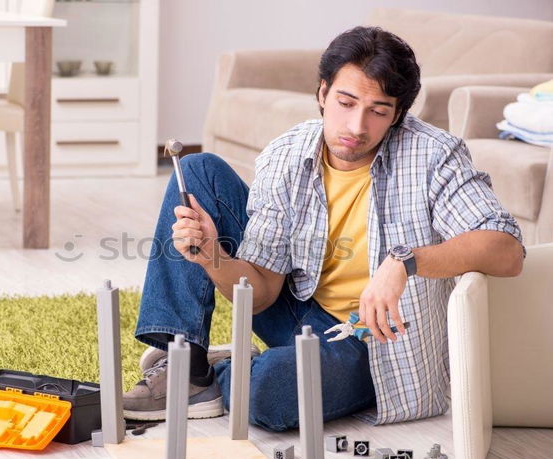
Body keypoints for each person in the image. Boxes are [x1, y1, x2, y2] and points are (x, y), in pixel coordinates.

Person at [122, 26, 526, 429]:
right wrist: (213, 257)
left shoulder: (435, 155)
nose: (355, 126)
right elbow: (260, 294)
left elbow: (506, 250)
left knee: (270, 389)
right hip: (300, 309)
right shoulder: (286, 154)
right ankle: (188, 369)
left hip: (376, 343)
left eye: (378, 111)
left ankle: (231, 369)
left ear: (398, 114)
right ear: (322, 93)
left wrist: (406, 261)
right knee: (196, 171)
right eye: (345, 102)